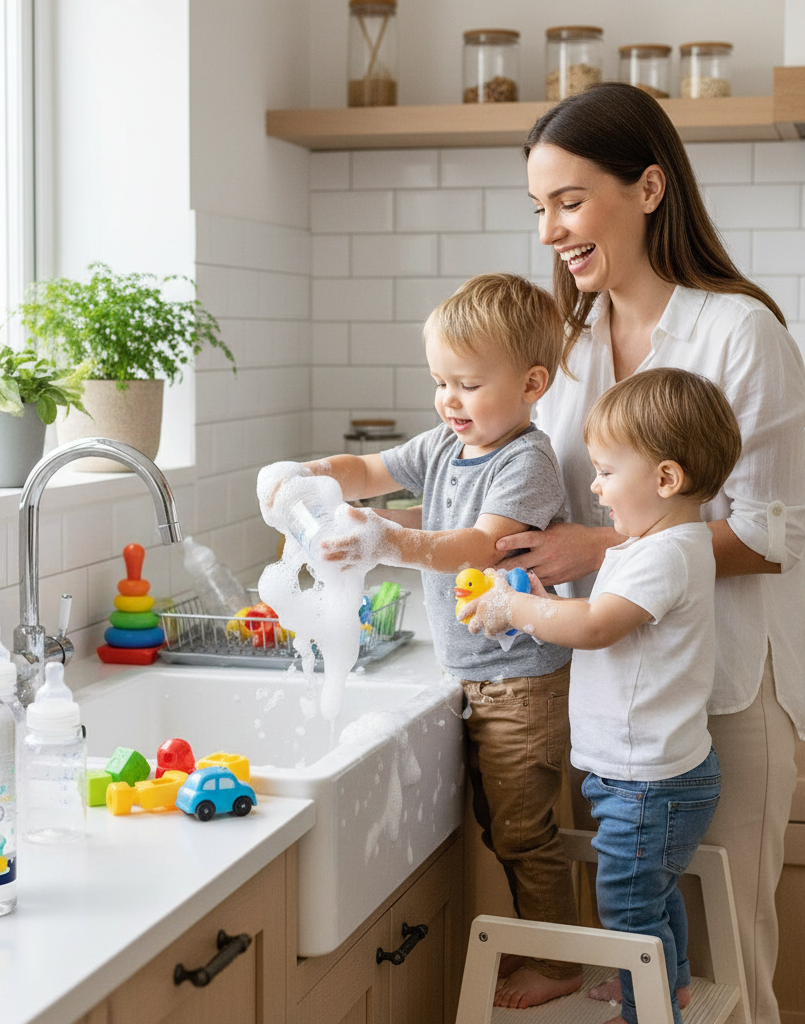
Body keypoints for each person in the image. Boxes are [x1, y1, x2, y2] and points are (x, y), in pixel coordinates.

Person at [496, 82, 805, 1024]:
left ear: (648, 188)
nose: (551, 230)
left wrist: (599, 542)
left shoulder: (738, 332)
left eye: (569, 201)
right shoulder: (569, 343)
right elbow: (525, 487)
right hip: (608, 716)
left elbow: (767, 536)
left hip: (724, 699)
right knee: (642, 972)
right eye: (539, 209)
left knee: (727, 963)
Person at [265, 273, 584, 1009]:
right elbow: (369, 470)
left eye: (467, 384)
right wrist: (307, 476)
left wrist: (389, 540)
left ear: (532, 383)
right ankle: (549, 948)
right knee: (501, 825)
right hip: (473, 672)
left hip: (522, 680)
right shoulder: (448, 442)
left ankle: (561, 963)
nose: (449, 400)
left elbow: (475, 545)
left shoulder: (524, 463)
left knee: (523, 831)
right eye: (441, 381)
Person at [462, 367, 743, 1024]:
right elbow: (601, 617)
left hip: (650, 783)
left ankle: (650, 1012)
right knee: (652, 895)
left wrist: (512, 607)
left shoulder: (666, 553)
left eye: (607, 471)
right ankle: (662, 987)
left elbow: (594, 627)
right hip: (640, 775)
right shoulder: (650, 542)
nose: (594, 486)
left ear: (666, 479)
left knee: (627, 906)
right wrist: (540, 597)